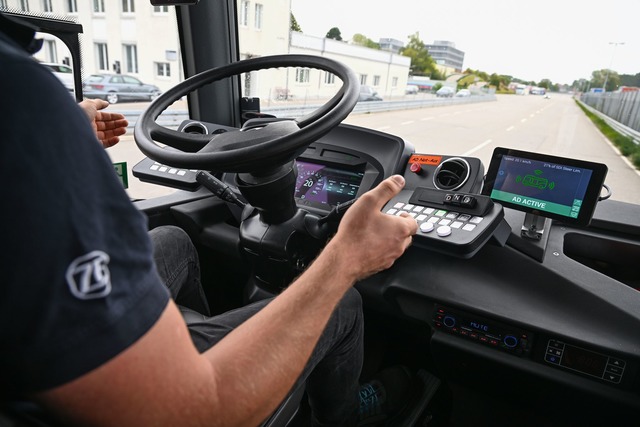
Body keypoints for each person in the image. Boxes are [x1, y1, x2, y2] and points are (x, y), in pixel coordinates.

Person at [0, 11, 418, 427]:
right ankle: (338, 415)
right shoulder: (21, 93)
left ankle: (209, 334)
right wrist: (345, 258)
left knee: (173, 240)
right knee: (342, 301)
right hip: (166, 403)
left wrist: (68, 129)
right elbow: (191, 410)